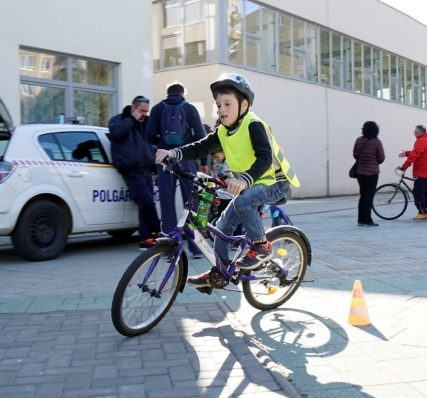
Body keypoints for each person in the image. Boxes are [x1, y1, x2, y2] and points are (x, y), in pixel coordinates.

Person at [155, 73, 300, 289]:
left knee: (243, 202)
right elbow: (200, 147)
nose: (221, 109)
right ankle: (220, 271)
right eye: (218, 104)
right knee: (222, 226)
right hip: (252, 185)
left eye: (227, 104)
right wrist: (175, 153)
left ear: (244, 105)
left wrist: (244, 180)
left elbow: (264, 157)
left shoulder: (253, 124)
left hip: (275, 182)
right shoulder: (223, 132)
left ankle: (261, 246)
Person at [146, 82, 207, 257]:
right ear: (182, 93)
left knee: (167, 202)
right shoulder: (190, 109)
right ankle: (196, 248)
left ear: (168, 93)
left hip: (165, 161)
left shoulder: (157, 109)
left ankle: (169, 247)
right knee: (192, 202)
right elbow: (201, 137)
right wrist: (202, 161)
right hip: (186, 159)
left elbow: (150, 136)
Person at [108, 96, 161, 249]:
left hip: (146, 170)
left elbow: (151, 147)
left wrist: (156, 169)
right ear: (133, 108)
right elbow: (115, 133)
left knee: (145, 206)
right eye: (141, 110)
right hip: (131, 171)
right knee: (147, 202)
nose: (144, 114)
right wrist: (132, 119)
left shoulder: (146, 123)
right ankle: (158, 231)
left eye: (146, 111)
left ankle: (145, 239)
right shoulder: (119, 120)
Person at [398, 125, 427, 220]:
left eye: (416, 132)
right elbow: (418, 152)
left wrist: (404, 166)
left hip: (423, 172)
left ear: (420, 133)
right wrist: (407, 153)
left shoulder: (421, 141)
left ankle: (422, 212)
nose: (414, 134)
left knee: (418, 192)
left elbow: (414, 155)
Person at [353, 121, 386, 227]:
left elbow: (355, 154)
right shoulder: (377, 142)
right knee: (369, 196)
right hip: (372, 173)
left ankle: (360, 220)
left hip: (360, 172)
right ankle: (367, 220)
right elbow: (381, 158)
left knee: (363, 195)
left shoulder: (359, 140)